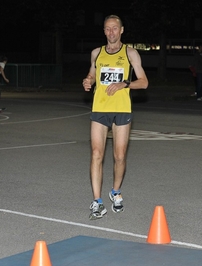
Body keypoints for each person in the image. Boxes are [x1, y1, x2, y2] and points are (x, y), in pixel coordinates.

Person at [82, 15, 148, 220]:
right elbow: (92, 74)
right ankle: (97, 201)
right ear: (104, 31)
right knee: (96, 153)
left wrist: (124, 84)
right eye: (107, 29)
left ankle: (115, 191)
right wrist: (88, 81)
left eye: (114, 28)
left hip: (122, 109)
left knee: (119, 156)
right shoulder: (96, 53)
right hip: (100, 108)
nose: (111, 32)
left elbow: (144, 82)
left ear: (121, 30)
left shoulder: (130, 53)